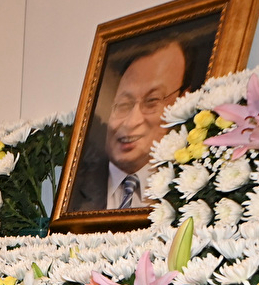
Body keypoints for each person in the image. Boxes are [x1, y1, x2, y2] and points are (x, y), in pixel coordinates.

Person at [70, 38, 191, 211]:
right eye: (123, 105)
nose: (131, 122)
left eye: (152, 101)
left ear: (184, 101)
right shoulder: (73, 190)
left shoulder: (191, 191)